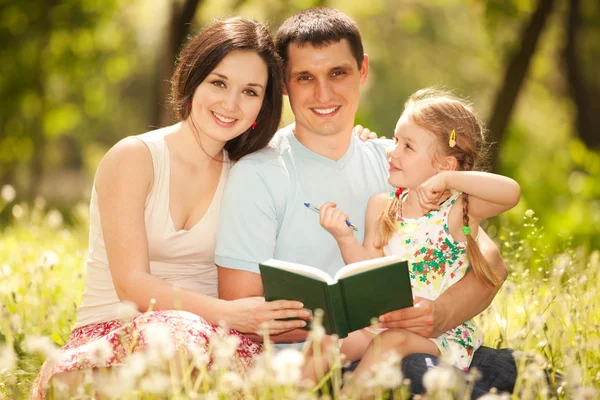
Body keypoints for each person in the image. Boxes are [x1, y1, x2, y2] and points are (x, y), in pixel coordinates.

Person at [216, 7, 517, 397]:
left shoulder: (397, 163)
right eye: (305, 77)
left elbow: (490, 263)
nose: (324, 93)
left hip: (421, 346)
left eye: (337, 73)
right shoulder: (259, 172)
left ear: (363, 70)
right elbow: (242, 308)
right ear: (285, 86)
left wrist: (439, 314)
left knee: (520, 373)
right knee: (423, 375)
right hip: (323, 358)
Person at [30, 17, 310, 399]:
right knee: (177, 339)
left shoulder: (250, 176)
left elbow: (308, 151)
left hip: (213, 345)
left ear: (264, 103)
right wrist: (229, 314)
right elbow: (132, 284)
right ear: (193, 79)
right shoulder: (135, 157)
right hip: (117, 336)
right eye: (219, 82)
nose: (231, 103)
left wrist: (359, 139)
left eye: (250, 91)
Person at [318, 88, 521, 379]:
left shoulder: (457, 211)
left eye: (407, 146)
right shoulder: (382, 207)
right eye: (396, 139)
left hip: (437, 338)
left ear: (444, 164)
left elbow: (510, 193)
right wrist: (344, 238)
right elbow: (366, 271)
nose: (392, 151)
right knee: (325, 342)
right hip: (383, 325)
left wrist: (449, 180)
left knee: (390, 343)